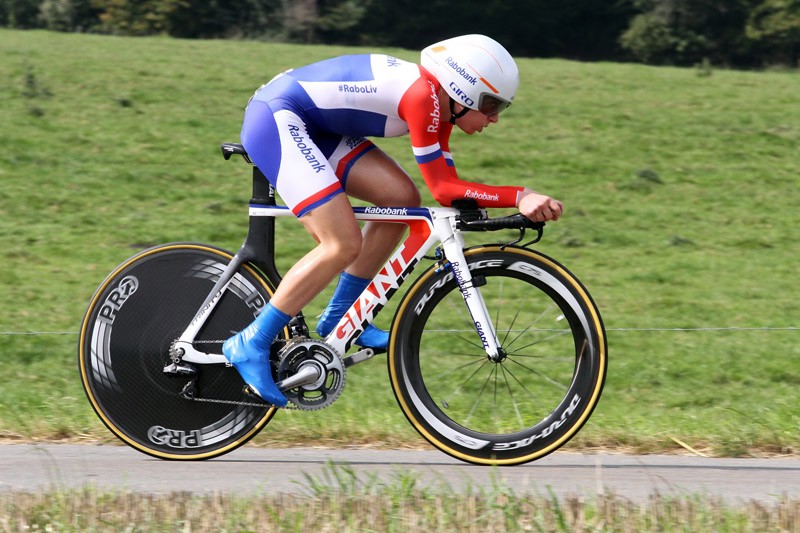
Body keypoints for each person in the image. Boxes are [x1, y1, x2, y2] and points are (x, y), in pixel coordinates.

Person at [223, 34, 564, 406]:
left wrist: (507, 197)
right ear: (461, 91)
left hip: (313, 126)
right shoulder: (424, 98)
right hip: (277, 118)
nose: (496, 118)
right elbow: (444, 188)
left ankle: (342, 316)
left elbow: (445, 189)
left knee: (400, 200)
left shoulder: (440, 104)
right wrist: (520, 196)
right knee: (341, 243)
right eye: (491, 104)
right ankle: (250, 342)